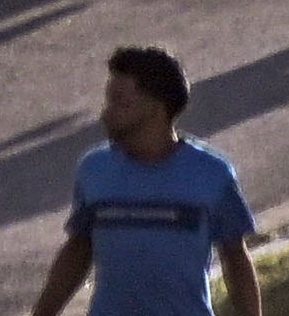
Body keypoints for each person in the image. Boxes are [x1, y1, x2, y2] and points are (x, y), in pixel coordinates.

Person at [35, 45, 271, 316]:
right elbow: (78, 248)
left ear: (157, 109)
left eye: (120, 103)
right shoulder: (95, 169)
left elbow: (235, 258)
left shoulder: (212, 174)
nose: (105, 114)